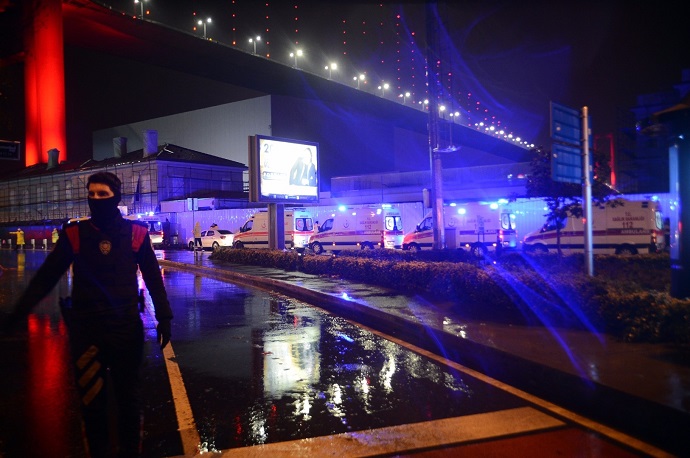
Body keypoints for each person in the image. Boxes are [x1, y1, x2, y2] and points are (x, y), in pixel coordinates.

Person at [2, 171, 173, 457]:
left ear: (116, 198)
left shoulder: (136, 234)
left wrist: (164, 317)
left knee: (129, 401)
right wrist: (19, 312)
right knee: (92, 404)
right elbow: (47, 276)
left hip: (125, 331)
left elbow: (153, 278)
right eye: (91, 194)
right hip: (87, 334)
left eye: (102, 194)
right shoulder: (74, 234)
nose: (95, 199)